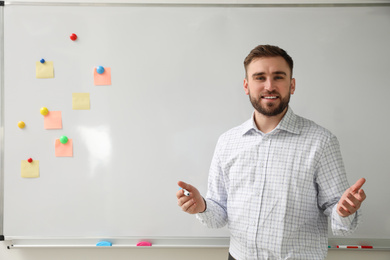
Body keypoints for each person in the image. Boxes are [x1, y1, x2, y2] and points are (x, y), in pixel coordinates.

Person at [176, 44, 366, 260]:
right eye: (259, 77)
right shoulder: (227, 142)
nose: (269, 86)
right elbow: (218, 215)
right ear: (246, 86)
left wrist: (343, 212)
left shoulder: (321, 142)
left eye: (278, 77)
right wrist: (203, 207)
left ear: (291, 85)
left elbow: (340, 217)